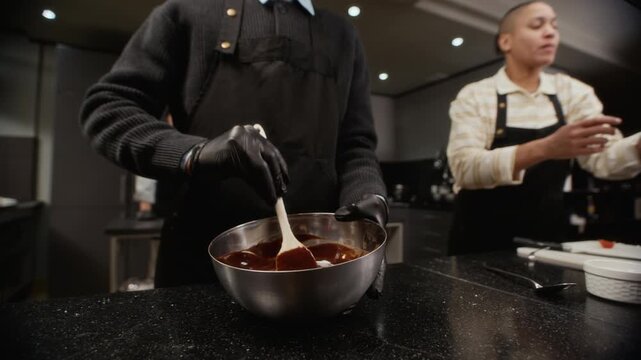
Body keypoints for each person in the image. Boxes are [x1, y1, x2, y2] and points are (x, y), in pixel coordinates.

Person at [80, 0, 388, 292]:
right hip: (198, 272)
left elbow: (356, 145)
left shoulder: (343, 36)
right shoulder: (186, 13)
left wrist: (367, 193)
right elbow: (108, 109)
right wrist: (194, 153)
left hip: (321, 274)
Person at [446, 1, 641, 255]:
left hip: (545, 239)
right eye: (537, 25)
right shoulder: (476, 95)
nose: (550, 32)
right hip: (477, 241)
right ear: (506, 42)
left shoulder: (573, 93)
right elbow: (464, 169)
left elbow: (604, 159)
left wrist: (637, 147)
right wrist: (547, 147)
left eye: (554, 26)